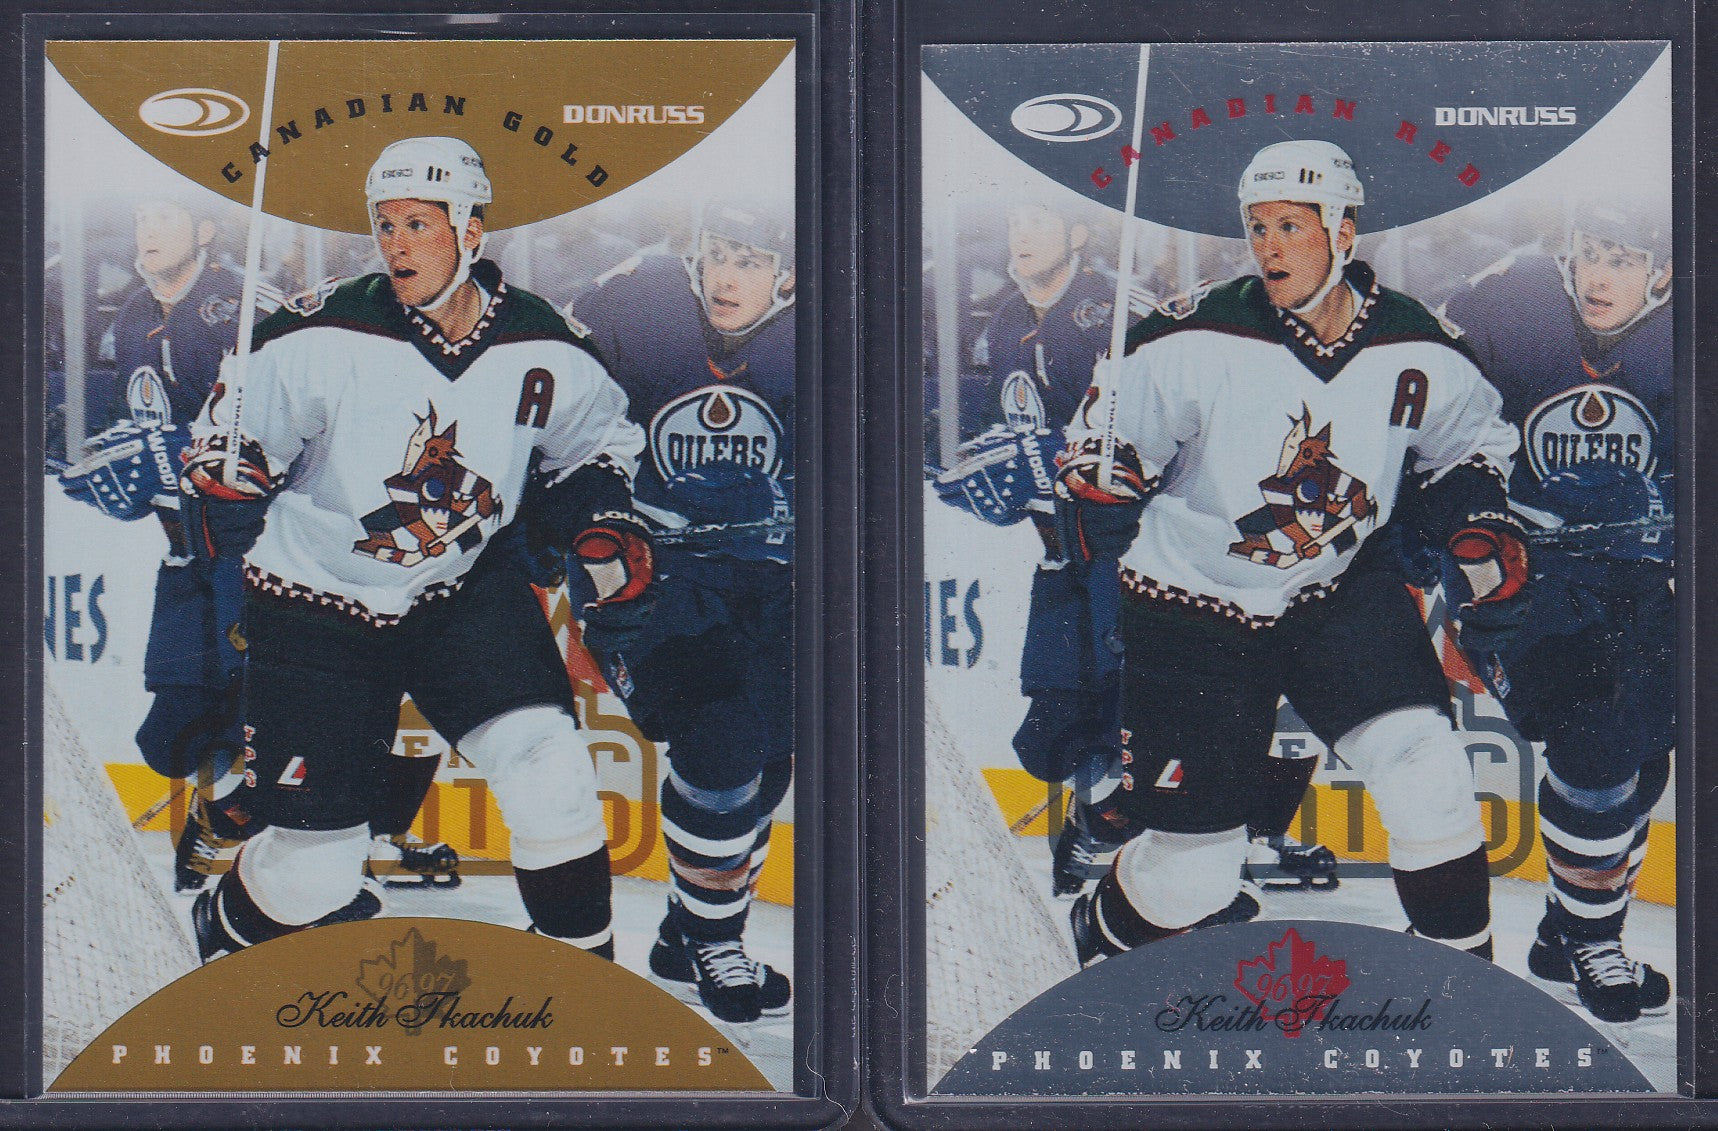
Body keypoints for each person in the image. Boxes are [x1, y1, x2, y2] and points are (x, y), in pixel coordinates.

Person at [183, 136, 648, 961]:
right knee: (318, 871)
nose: (397, 245)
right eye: (385, 224)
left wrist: (600, 518)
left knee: (553, 774)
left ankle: (587, 976)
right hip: (315, 603)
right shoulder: (319, 328)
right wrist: (229, 470)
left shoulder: (543, 340)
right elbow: (229, 436)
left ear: (471, 231)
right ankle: (213, 934)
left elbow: (595, 447)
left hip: (459, 593)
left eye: (419, 225)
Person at [1060, 140, 1521, 966]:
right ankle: (1096, 933)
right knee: (1196, 873)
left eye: (1291, 226)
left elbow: (1467, 449)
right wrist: (1104, 479)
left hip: (1335, 592)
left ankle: (1465, 977)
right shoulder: (1192, 333)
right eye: (1258, 226)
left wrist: (1477, 521)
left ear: (1342, 232)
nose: (1269, 247)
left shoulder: (1418, 342)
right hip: (1191, 607)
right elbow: (1103, 442)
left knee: (1431, 774)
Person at [58, 197, 462, 897]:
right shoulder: (129, 320)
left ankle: (349, 849)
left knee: (291, 720)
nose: (147, 230)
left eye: (164, 217)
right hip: (189, 559)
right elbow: (144, 437)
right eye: (142, 218)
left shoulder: (246, 308)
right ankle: (227, 818)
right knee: (172, 736)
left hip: (265, 555)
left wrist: (176, 452)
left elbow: (308, 425)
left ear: (205, 232)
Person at [934, 201, 1335, 901]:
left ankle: (1236, 841)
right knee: (1057, 727)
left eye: (1036, 221)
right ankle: (1101, 827)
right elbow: (1012, 442)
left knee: (1186, 710)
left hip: (1148, 556)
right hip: (1067, 557)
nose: (1020, 233)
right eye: (1015, 221)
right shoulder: (1002, 324)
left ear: (1077, 234)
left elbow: (1181, 430)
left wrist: (1054, 457)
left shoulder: (1120, 313)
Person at [1442, 198, 1673, 1022]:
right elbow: (1434, 435)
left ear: (1663, 273)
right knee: (1594, 744)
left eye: (1623, 260)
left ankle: (1562, 932)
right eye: (1590, 253)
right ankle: (1597, 942)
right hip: (1523, 576)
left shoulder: (1689, 329)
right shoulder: (1505, 302)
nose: (1598, 276)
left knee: (1645, 758)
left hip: (1636, 578)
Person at [568, 201, 794, 1023]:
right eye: (719, 254)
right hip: (650, 577)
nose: (727, 277)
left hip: (764, 578)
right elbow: (557, 422)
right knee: (719, 741)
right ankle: (718, 941)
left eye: (751, 261)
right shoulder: (634, 302)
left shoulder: (824, 329)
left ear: (789, 277)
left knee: (769, 759)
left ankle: (684, 930)